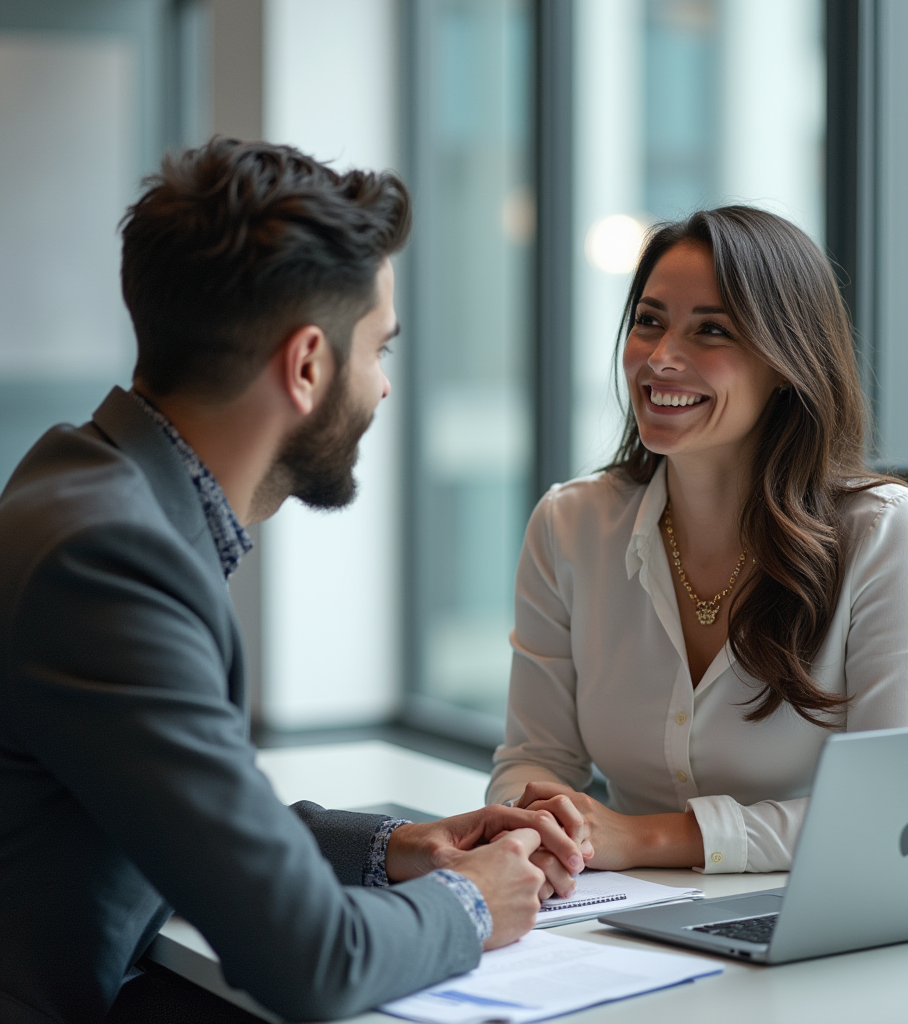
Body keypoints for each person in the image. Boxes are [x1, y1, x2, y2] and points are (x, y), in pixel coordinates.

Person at [0, 138, 587, 1024]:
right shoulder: (111, 559)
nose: (384, 389)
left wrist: (401, 847)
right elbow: (310, 961)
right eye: (378, 350)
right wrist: (472, 902)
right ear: (308, 364)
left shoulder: (82, 484)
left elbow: (187, 810)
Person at [487, 207, 908, 876]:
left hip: (820, 912)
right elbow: (534, 758)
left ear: (787, 362)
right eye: (649, 321)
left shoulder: (884, 534)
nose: (660, 358)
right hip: (621, 913)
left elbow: (892, 807)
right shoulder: (569, 525)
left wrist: (646, 839)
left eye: (712, 330)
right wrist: (543, 828)